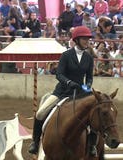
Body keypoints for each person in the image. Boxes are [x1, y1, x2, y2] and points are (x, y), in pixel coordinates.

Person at [28, 26, 97, 157]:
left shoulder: (89, 58)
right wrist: (69, 83)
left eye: (88, 39)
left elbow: (89, 77)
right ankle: (35, 142)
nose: (87, 41)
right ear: (76, 40)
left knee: (94, 114)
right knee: (40, 113)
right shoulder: (66, 55)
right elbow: (59, 74)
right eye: (84, 39)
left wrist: (87, 86)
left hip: (80, 93)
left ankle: (92, 145)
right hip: (62, 92)